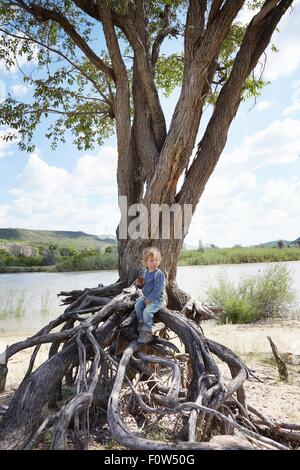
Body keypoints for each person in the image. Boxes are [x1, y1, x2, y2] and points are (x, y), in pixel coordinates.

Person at [134, 247, 165, 344]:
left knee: (147, 312)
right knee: (138, 305)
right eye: (151, 261)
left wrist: (150, 299)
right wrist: (139, 284)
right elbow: (144, 285)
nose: (154, 263)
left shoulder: (159, 274)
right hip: (146, 297)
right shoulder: (145, 272)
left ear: (159, 261)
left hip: (157, 299)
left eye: (156, 260)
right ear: (146, 262)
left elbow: (158, 289)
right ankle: (142, 324)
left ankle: (148, 332)